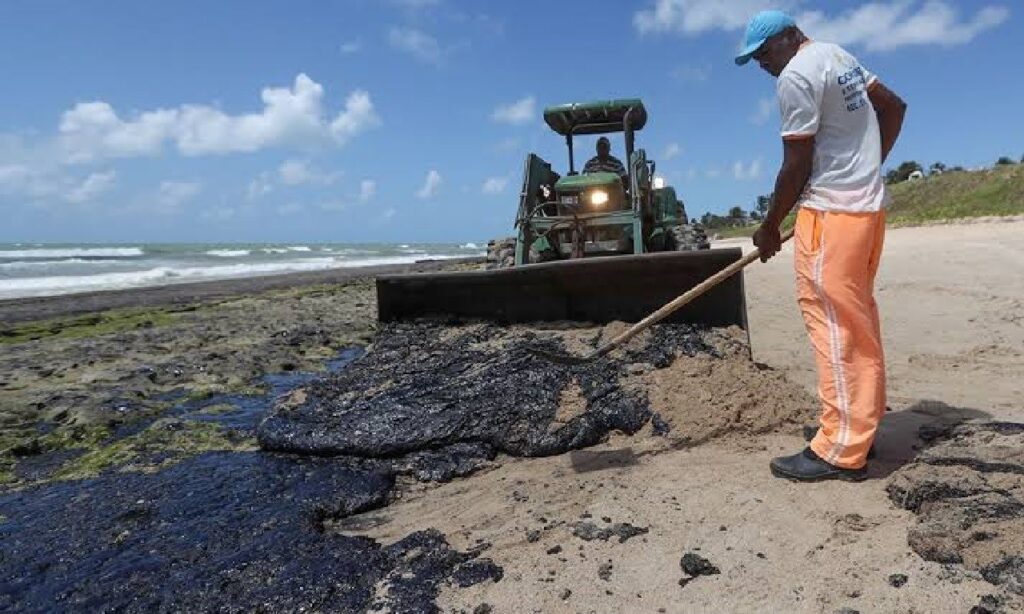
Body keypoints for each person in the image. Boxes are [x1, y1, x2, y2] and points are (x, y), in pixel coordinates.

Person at [736, 10, 907, 482]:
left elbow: (796, 162)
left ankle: (838, 449)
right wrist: (865, 171)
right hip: (867, 212)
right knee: (856, 323)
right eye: (755, 59)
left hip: (831, 218)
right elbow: (894, 107)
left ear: (791, 37)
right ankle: (858, 428)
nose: (762, 65)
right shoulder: (837, 56)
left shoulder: (795, 76)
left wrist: (770, 226)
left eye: (764, 52)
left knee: (834, 328)